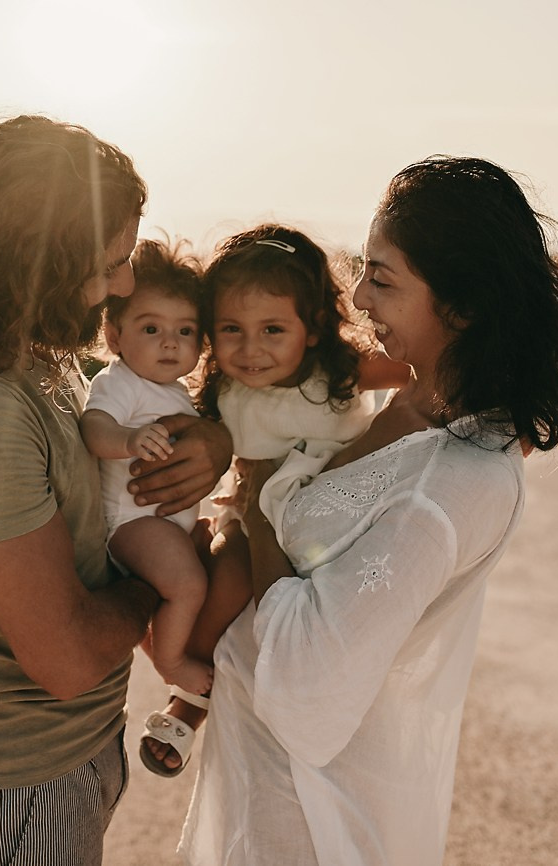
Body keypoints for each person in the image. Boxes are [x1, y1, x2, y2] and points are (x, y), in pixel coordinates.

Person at [179, 157, 558, 866]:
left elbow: (306, 693)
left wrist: (263, 504)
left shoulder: (452, 486)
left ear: (462, 305)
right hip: (254, 797)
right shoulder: (405, 404)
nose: (359, 297)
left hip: (311, 827)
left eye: (383, 280)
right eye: (362, 270)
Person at [0, 114, 231, 866]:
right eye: (109, 264)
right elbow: (62, 657)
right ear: (42, 256)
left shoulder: (28, 354)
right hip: (9, 792)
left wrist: (214, 442)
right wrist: (158, 588)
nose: (124, 284)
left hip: (54, 764)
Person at [141, 224, 408, 776]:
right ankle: (191, 702)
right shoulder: (223, 394)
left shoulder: (335, 375)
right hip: (254, 512)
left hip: (335, 514)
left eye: (272, 329)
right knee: (225, 578)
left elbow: (418, 373)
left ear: (311, 329)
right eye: (232, 329)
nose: (250, 348)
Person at [80, 237, 213, 697]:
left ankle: (171, 643)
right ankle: (170, 662)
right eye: (151, 329)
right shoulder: (123, 383)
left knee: (207, 567)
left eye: (185, 331)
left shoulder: (178, 393)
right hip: (131, 523)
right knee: (188, 583)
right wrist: (129, 440)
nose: (170, 343)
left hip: (162, 524)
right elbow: (93, 429)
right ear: (115, 337)